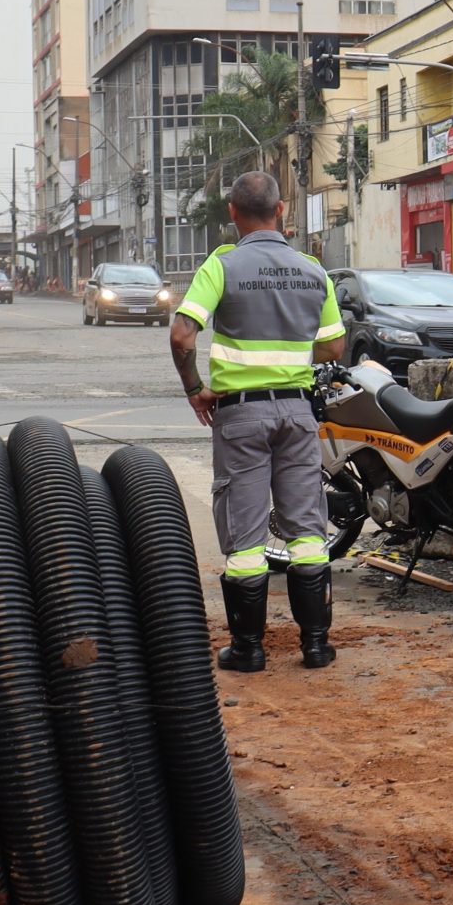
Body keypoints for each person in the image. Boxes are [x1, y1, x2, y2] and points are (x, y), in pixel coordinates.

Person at [171, 172, 347, 671]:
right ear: (282, 209)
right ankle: (316, 646)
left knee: (246, 537)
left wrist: (193, 389)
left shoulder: (222, 265)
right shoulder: (313, 269)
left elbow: (183, 337)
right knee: (308, 530)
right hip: (296, 410)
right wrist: (291, 355)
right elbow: (334, 346)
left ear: (232, 212)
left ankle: (248, 650)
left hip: (241, 415)